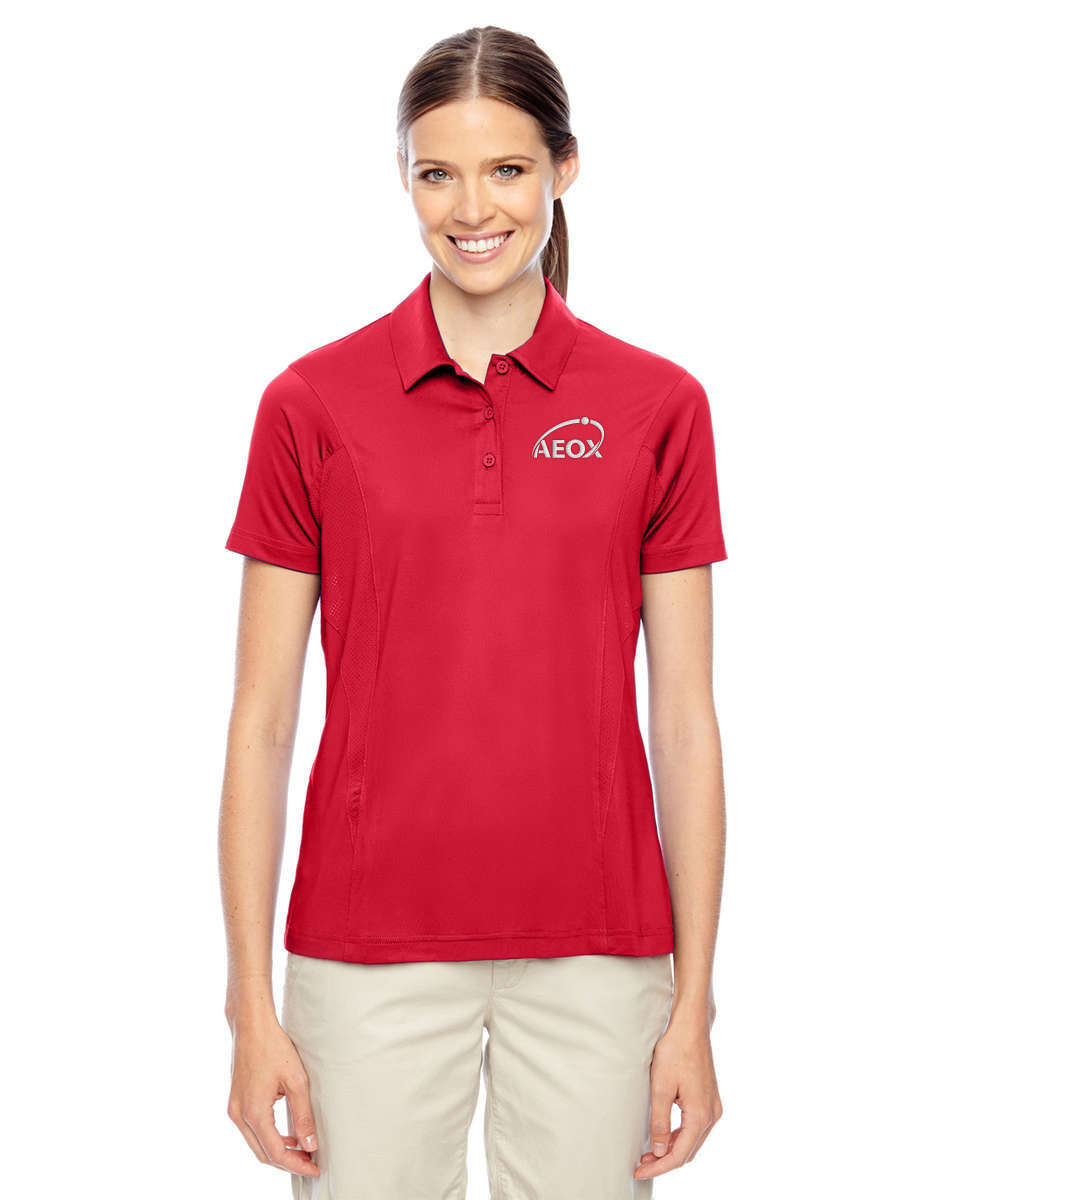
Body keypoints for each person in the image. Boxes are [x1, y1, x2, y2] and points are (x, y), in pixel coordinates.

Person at [219, 24, 727, 1199]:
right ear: (404, 178)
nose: (471, 207)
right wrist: (247, 1007)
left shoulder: (659, 406)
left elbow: (685, 721)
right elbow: (261, 721)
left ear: (564, 168)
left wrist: (694, 1006)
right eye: (437, 172)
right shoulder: (311, 405)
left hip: (601, 953)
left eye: (507, 169)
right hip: (365, 953)